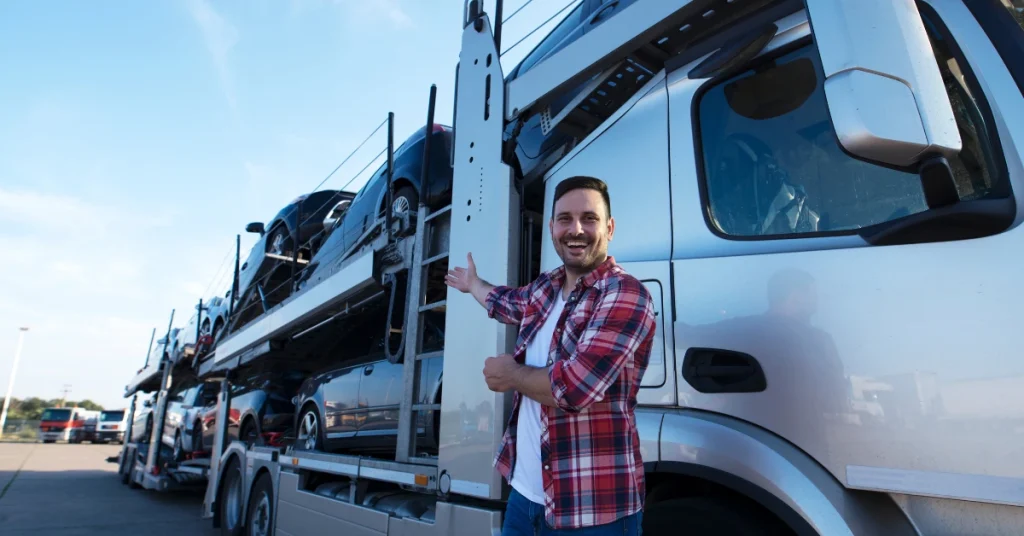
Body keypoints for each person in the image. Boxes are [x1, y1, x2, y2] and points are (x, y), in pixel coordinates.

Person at [445, 176, 657, 535]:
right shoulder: (546, 286)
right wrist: (473, 285)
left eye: (589, 218)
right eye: (565, 219)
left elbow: (575, 387)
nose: (576, 229)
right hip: (525, 499)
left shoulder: (626, 293)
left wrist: (510, 374)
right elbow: (507, 302)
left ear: (610, 227)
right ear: (552, 228)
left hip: (592, 512)